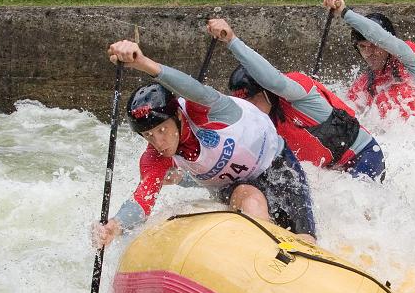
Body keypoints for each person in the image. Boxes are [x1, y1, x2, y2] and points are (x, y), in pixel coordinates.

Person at [92, 40, 316, 248]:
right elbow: (143, 199)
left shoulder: (203, 110)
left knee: (305, 240)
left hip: (277, 165)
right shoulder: (155, 158)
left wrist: (143, 63)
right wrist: (115, 226)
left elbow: (191, 87)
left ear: (178, 116)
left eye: (162, 130)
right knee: (251, 202)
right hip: (235, 187)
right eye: (149, 136)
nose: (158, 142)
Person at [206, 18, 385, 181]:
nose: (248, 108)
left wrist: (232, 40)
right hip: (332, 173)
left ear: (267, 93)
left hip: (364, 155)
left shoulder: (298, 93)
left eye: (252, 99)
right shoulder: (262, 124)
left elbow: (273, 80)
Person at [322, 0, 415, 124]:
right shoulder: (365, 83)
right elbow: (344, 111)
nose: (369, 52)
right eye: (362, 47)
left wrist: (344, 12)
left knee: (393, 94)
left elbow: (381, 37)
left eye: (374, 45)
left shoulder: (411, 57)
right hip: (403, 140)